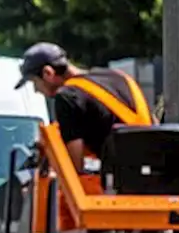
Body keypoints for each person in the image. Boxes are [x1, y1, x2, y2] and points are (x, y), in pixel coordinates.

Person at [14, 42, 154, 172]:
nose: (36, 90)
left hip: (125, 183)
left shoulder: (67, 96)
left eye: (34, 82)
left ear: (48, 73)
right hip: (156, 167)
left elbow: (75, 168)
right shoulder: (119, 77)